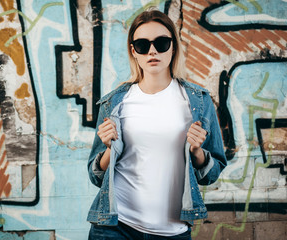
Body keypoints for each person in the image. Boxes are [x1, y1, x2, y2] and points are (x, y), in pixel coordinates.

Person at [87, 9, 227, 240]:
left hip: (172, 231)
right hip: (115, 227)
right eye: (142, 45)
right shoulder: (114, 103)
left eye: (161, 43)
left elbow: (211, 175)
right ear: (134, 51)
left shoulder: (198, 102)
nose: (152, 51)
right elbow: (96, 176)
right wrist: (110, 149)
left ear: (173, 47)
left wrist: (197, 152)